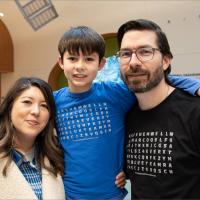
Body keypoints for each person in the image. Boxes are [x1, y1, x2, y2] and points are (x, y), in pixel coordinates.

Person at [54, 26, 200, 200]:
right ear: (61, 62)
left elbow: (151, 79)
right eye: (72, 58)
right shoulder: (52, 101)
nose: (80, 66)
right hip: (66, 195)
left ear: (101, 64)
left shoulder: (115, 94)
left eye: (88, 59)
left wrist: (193, 85)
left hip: (112, 196)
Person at [117, 19, 200, 199]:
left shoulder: (194, 112)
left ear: (165, 61)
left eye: (145, 52)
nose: (133, 62)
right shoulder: (124, 116)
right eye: (125, 53)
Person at [0, 77, 65, 200]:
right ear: (10, 108)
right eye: (27, 102)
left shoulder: (56, 157)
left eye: (44, 106)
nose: (36, 111)